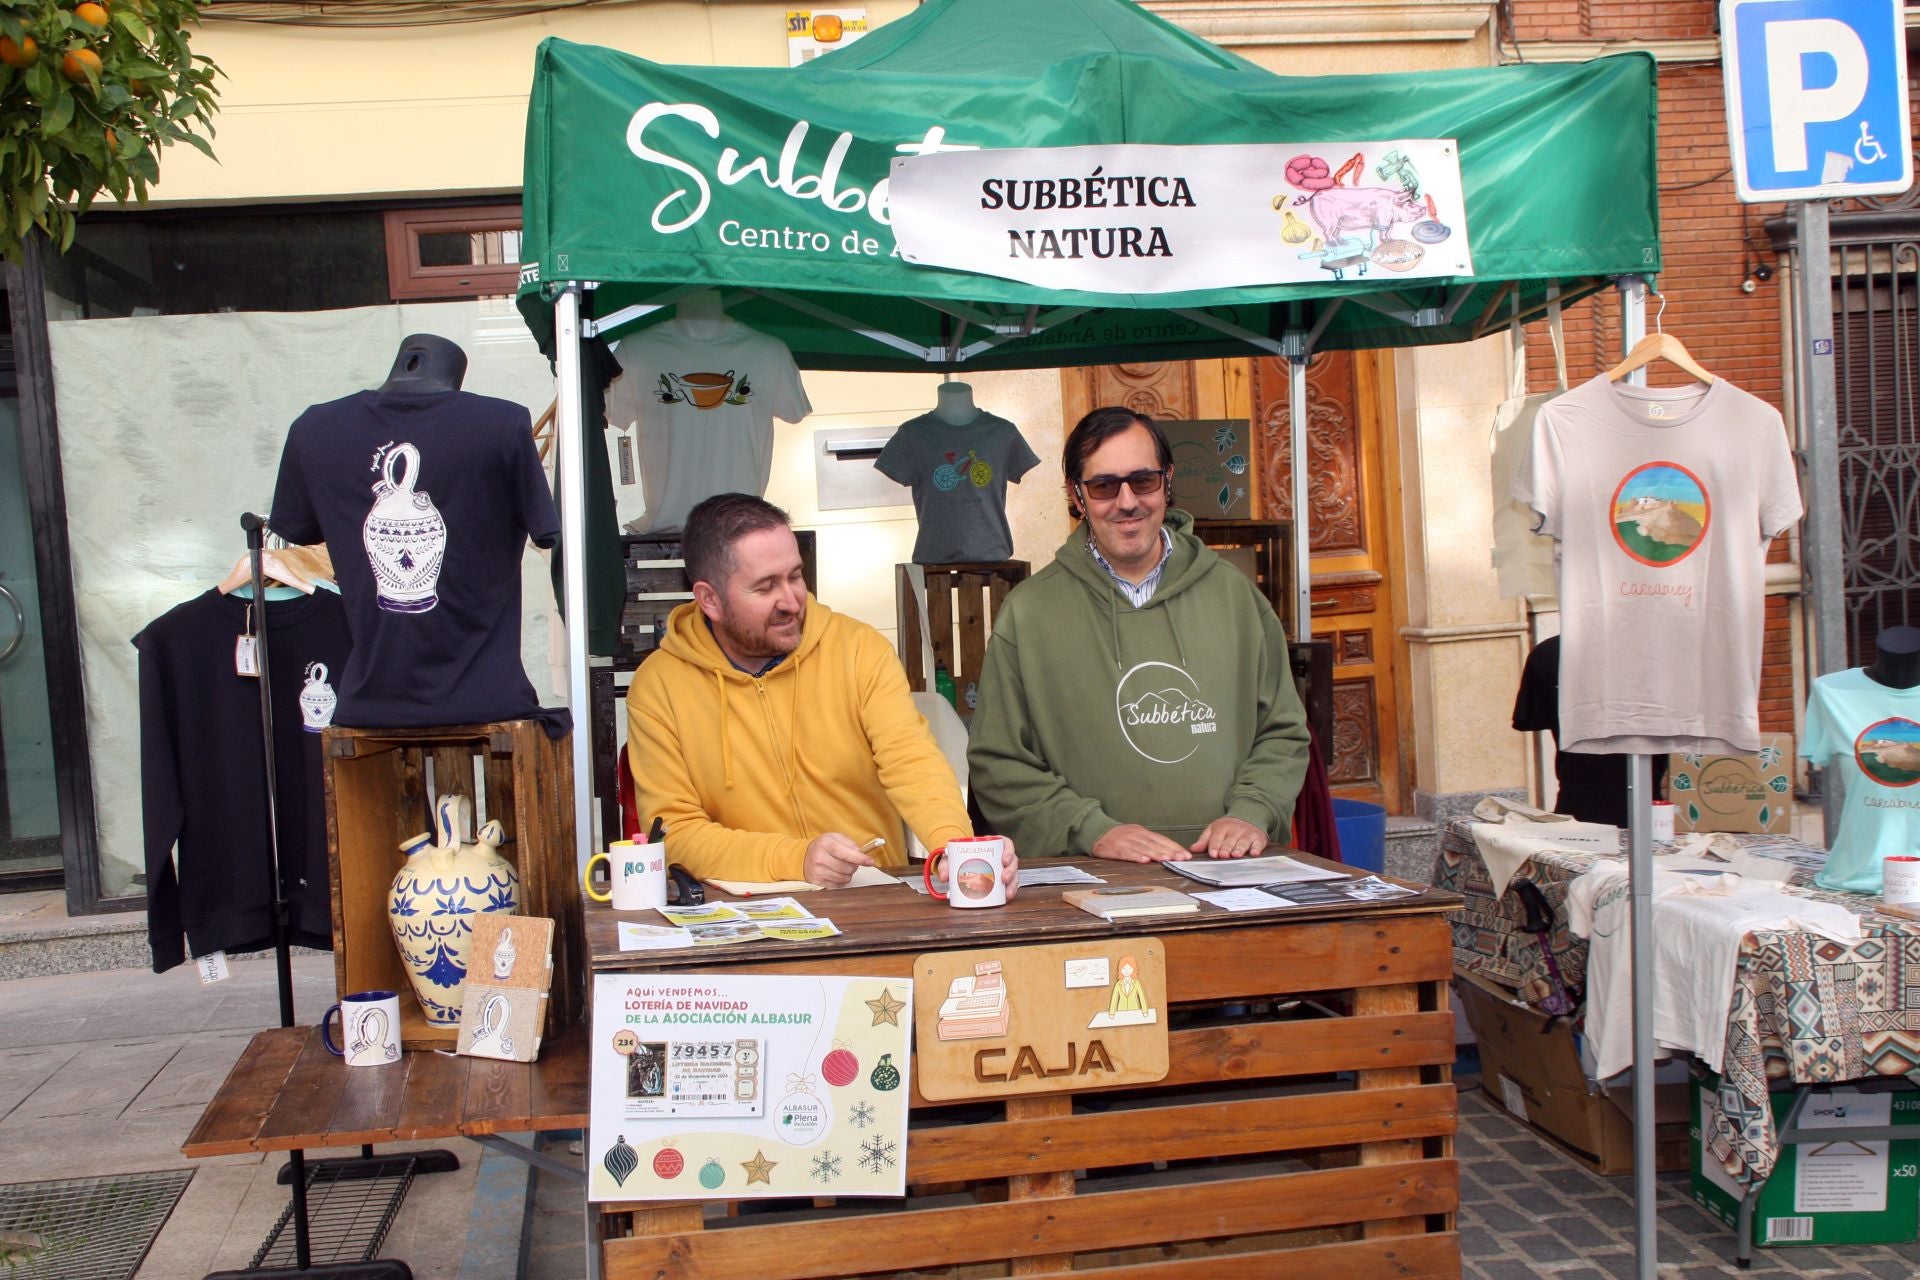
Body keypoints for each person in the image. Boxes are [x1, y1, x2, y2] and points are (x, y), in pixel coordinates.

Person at [626, 493, 1018, 891]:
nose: (792, 601)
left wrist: (953, 845)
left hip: (869, 895)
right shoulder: (658, 686)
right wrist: (796, 858)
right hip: (745, 910)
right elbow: (673, 833)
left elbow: (912, 761)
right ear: (710, 599)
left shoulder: (858, 648)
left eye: (795, 576)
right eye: (765, 587)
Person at [968, 406, 1310, 862]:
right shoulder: (1029, 613)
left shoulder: (1237, 599)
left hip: (1230, 874)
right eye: (1104, 486)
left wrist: (1252, 811)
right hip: (1092, 878)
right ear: (1076, 495)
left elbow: (1283, 732)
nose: (1127, 501)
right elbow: (998, 762)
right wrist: (1090, 830)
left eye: (1143, 480)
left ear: (1167, 481)